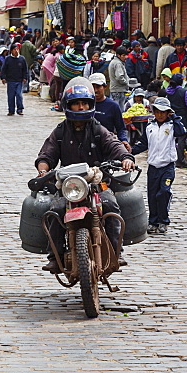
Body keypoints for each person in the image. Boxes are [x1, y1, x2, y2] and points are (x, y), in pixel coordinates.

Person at [34, 77, 135, 273]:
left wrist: (125, 158)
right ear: (68, 106)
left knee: (111, 205)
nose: (80, 108)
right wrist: (43, 169)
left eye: (84, 103)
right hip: (69, 186)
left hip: (97, 183)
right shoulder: (61, 131)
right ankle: (54, 255)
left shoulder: (97, 128)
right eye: (76, 104)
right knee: (55, 209)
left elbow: (113, 144)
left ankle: (116, 251)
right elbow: (47, 153)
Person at [131, 97, 185, 235]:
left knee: (164, 192)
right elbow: (143, 144)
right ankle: (153, 221)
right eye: (157, 112)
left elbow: (182, 132)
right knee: (153, 195)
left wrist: (175, 118)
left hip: (167, 166)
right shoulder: (150, 127)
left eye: (163, 112)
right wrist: (129, 152)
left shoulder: (172, 126)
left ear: (168, 113)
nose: (160, 115)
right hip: (153, 167)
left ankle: (163, 220)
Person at [88, 73, 131, 153]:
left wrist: (124, 140)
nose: (95, 90)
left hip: (106, 146)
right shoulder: (85, 105)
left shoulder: (113, 106)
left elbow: (121, 128)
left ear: (105, 87)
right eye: (93, 87)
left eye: (98, 87)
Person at [165, 73, 187, 162]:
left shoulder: (167, 91)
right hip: (182, 117)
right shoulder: (183, 91)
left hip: (170, 117)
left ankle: (168, 157)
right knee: (181, 138)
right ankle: (180, 159)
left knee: (170, 138)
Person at [1, 43, 29, 116]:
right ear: (11, 51)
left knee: (19, 95)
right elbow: (3, 69)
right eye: (14, 49)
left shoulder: (22, 59)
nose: (16, 51)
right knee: (11, 96)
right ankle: (11, 110)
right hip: (10, 80)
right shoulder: (8, 59)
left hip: (19, 80)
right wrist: (3, 77)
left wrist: (25, 77)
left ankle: (20, 109)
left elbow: (25, 69)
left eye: (17, 49)